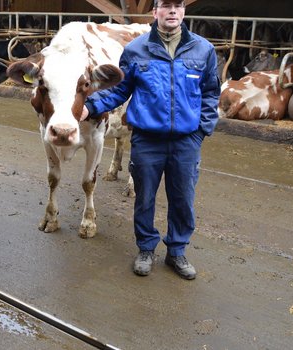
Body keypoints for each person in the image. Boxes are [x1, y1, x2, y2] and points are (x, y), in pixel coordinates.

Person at [81, 0, 220, 279]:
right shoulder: (135, 50)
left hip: (186, 141)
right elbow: (118, 91)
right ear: (154, 11)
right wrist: (89, 106)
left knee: (183, 198)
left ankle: (177, 252)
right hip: (147, 140)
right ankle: (146, 248)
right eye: (166, 5)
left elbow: (211, 92)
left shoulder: (203, 49)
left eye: (177, 5)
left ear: (183, 11)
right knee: (144, 198)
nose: (172, 11)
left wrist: (202, 129)